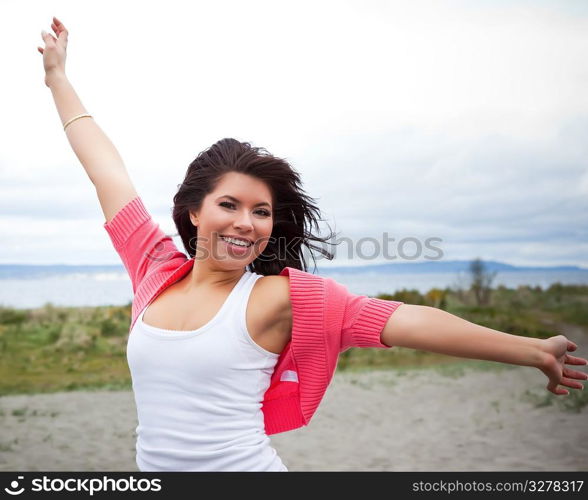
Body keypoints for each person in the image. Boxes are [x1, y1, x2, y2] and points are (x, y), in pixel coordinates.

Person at [39, 17, 588, 472]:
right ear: (193, 211)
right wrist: (58, 78)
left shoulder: (280, 299)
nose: (246, 223)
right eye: (229, 205)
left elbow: (407, 321)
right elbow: (106, 170)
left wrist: (532, 350)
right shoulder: (154, 269)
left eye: (261, 212)